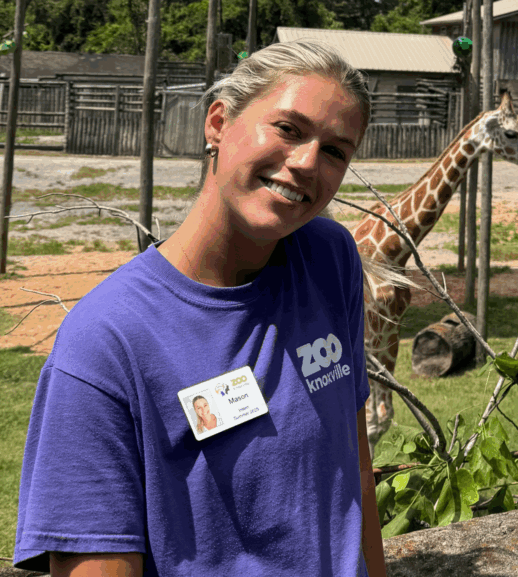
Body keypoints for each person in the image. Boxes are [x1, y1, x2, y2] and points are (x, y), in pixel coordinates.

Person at [14, 39, 387, 577]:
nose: (307, 162)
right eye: (288, 128)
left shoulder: (329, 262)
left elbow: (352, 468)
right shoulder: (106, 343)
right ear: (217, 124)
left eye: (335, 151)